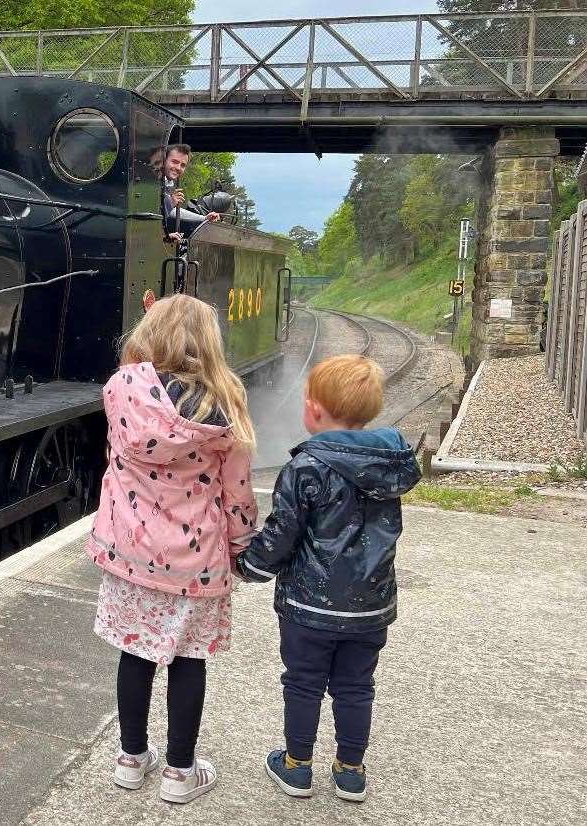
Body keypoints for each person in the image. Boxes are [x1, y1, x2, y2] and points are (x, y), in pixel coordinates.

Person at [86, 294, 258, 805]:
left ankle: (131, 759)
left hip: (129, 554)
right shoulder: (223, 404)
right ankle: (181, 771)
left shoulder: (120, 389)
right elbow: (237, 493)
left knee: (134, 654)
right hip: (195, 560)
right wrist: (243, 544)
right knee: (188, 660)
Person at [233, 354, 420, 803]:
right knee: (356, 686)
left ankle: (297, 766)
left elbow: (283, 533)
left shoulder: (306, 467)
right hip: (370, 607)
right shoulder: (388, 464)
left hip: (309, 607)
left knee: (303, 683)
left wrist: (250, 566)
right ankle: (350, 772)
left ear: (314, 410)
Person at [161, 144, 221, 240]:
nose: (178, 168)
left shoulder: (167, 185)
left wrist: (204, 218)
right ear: (163, 160)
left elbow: (172, 211)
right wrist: (170, 203)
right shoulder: (151, 183)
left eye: (183, 165)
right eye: (174, 162)